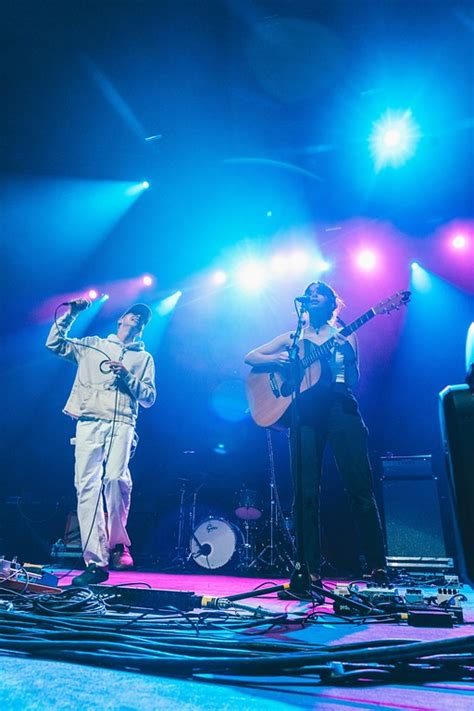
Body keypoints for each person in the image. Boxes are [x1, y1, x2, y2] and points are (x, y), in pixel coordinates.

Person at [244, 281, 387, 584]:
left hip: (340, 407)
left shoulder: (347, 335)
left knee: (359, 486)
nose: (311, 296)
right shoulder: (294, 337)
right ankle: (307, 569)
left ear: (332, 302)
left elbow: (355, 377)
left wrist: (338, 356)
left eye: (318, 292)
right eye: (308, 293)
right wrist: (278, 360)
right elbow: (251, 357)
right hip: (305, 412)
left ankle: (377, 564)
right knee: (304, 493)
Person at [46, 300, 156, 585]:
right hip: (89, 421)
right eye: (134, 314)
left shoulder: (144, 359)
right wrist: (72, 315)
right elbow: (55, 344)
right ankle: (96, 562)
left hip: (122, 423)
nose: (138, 319)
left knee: (116, 479)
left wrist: (127, 376)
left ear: (143, 328)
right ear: (121, 319)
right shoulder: (92, 345)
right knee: (87, 487)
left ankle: (118, 544)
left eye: (143, 319)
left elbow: (148, 398)